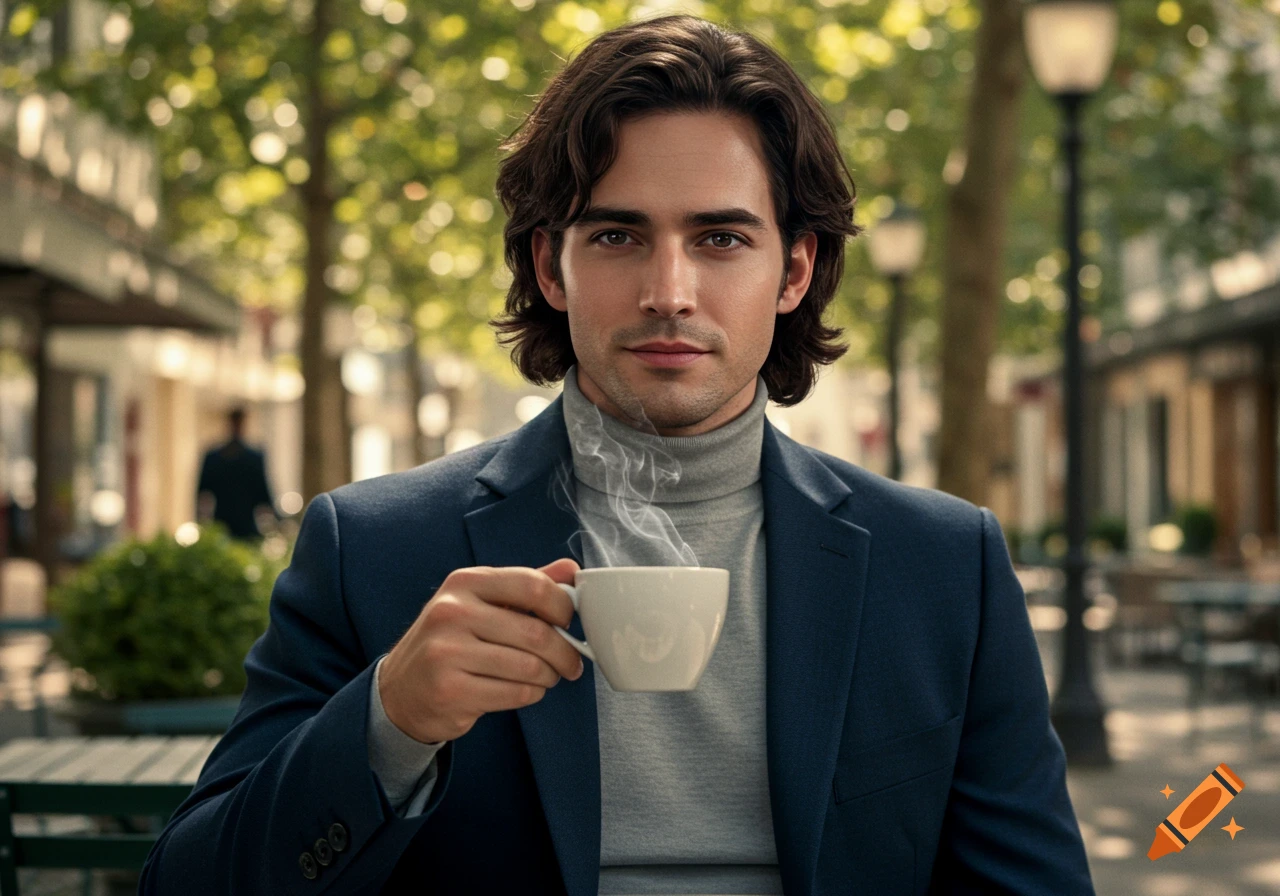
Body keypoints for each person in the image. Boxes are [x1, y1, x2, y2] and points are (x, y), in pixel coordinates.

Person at [141, 14, 1094, 895]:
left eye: (720, 237)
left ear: (795, 270)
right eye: (617, 235)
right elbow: (187, 885)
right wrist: (388, 720)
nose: (668, 291)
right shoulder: (375, 549)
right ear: (551, 265)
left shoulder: (941, 565)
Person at [195, 407, 277, 540]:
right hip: (224, 521)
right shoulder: (216, 456)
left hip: (244, 522)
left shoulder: (252, 457)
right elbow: (202, 490)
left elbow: (264, 491)